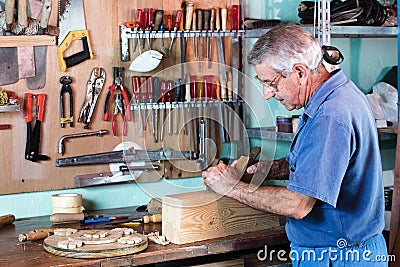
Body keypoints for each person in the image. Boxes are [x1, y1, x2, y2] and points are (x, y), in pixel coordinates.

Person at [202, 24, 388, 266]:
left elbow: (299, 204)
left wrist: (230, 187)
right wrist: (266, 169)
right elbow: (321, 165)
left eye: (271, 82)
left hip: (339, 256)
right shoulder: (337, 95)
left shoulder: (330, 116)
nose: (267, 93)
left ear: (299, 72)